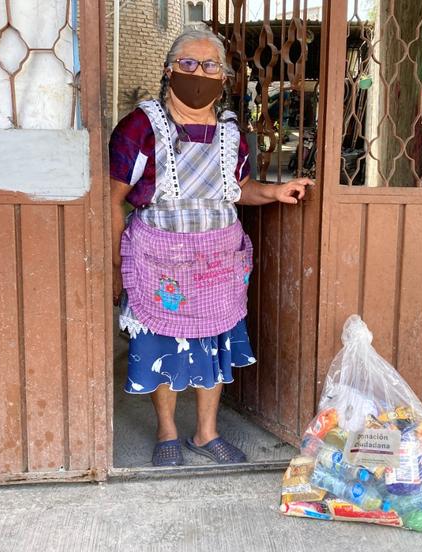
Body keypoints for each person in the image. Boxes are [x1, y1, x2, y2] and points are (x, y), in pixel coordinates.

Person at [109, 28, 315, 466]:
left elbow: (238, 189)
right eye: (187, 63)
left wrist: (275, 192)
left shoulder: (229, 132)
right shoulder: (140, 127)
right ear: (168, 70)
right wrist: (113, 268)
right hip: (159, 259)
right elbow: (112, 200)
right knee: (162, 342)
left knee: (213, 343)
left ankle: (206, 433)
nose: (198, 73)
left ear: (223, 77)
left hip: (217, 261)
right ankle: (167, 432)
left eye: (209, 66)